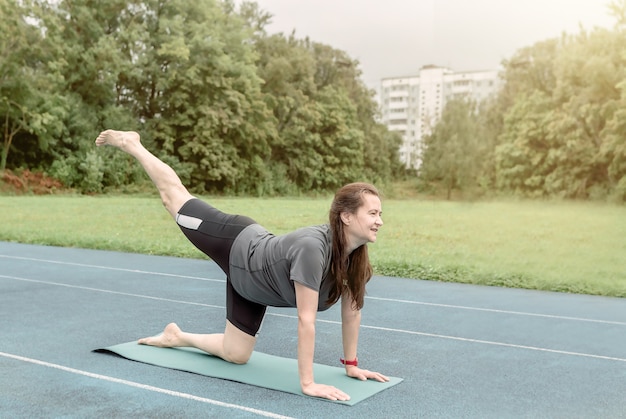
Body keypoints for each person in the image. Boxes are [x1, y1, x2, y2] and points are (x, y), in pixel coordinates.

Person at [95, 129, 389, 401]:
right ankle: (132, 144)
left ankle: (177, 336)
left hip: (251, 288)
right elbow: (306, 321)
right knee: (173, 198)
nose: (380, 221)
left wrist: (351, 366)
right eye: (373, 213)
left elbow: (352, 315)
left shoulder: (356, 262)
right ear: (346, 217)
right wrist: (308, 383)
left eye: (379, 214)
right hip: (236, 243)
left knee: (236, 354)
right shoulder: (314, 249)